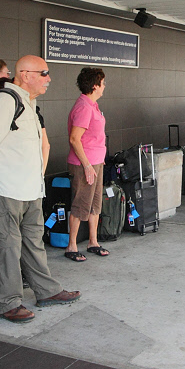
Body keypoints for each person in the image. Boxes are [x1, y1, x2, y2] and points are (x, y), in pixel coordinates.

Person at [0, 55, 80, 323]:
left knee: (33, 243)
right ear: (25, 74)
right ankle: (8, 303)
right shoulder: (3, 102)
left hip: (30, 190)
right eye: (44, 73)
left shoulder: (28, 103)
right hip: (5, 191)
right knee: (6, 248)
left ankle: (46, 291)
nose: (49, 79)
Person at [64, 67, 109, 262]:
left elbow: (94, 137)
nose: (104, 86)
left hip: (96, 161)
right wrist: (88, 165)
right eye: (103, 83)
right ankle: (71, 246)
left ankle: (93, 242)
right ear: (94, 85)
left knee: (95, 204)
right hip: (84, 164)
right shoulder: (83, 107)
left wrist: (99, 159)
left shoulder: (93, 105)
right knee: (81, 203)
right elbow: (75, 139)